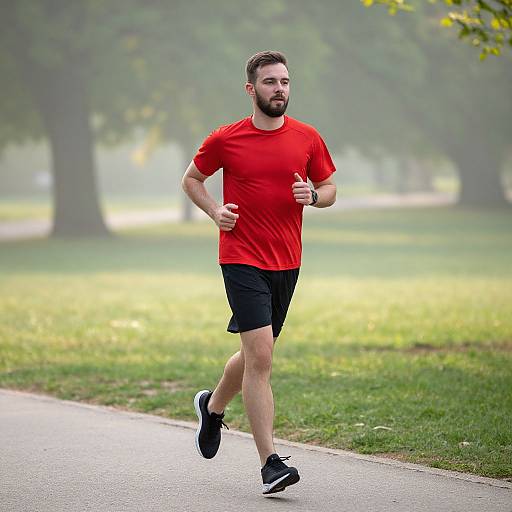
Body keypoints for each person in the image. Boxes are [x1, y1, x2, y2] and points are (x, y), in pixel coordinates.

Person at [182, 50, 336, 495]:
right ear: (252, 89)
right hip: (240, 256)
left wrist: (313, 196)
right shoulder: (226, 138)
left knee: (257, 354)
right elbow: (192, 179)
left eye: (285, 81)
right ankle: (270, 462)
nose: (279, 89)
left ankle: (211, 407)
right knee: (262, 357)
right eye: (270, 82)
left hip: (287, 260)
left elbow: (329, 188)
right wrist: (215, 211)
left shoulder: (308, 137)